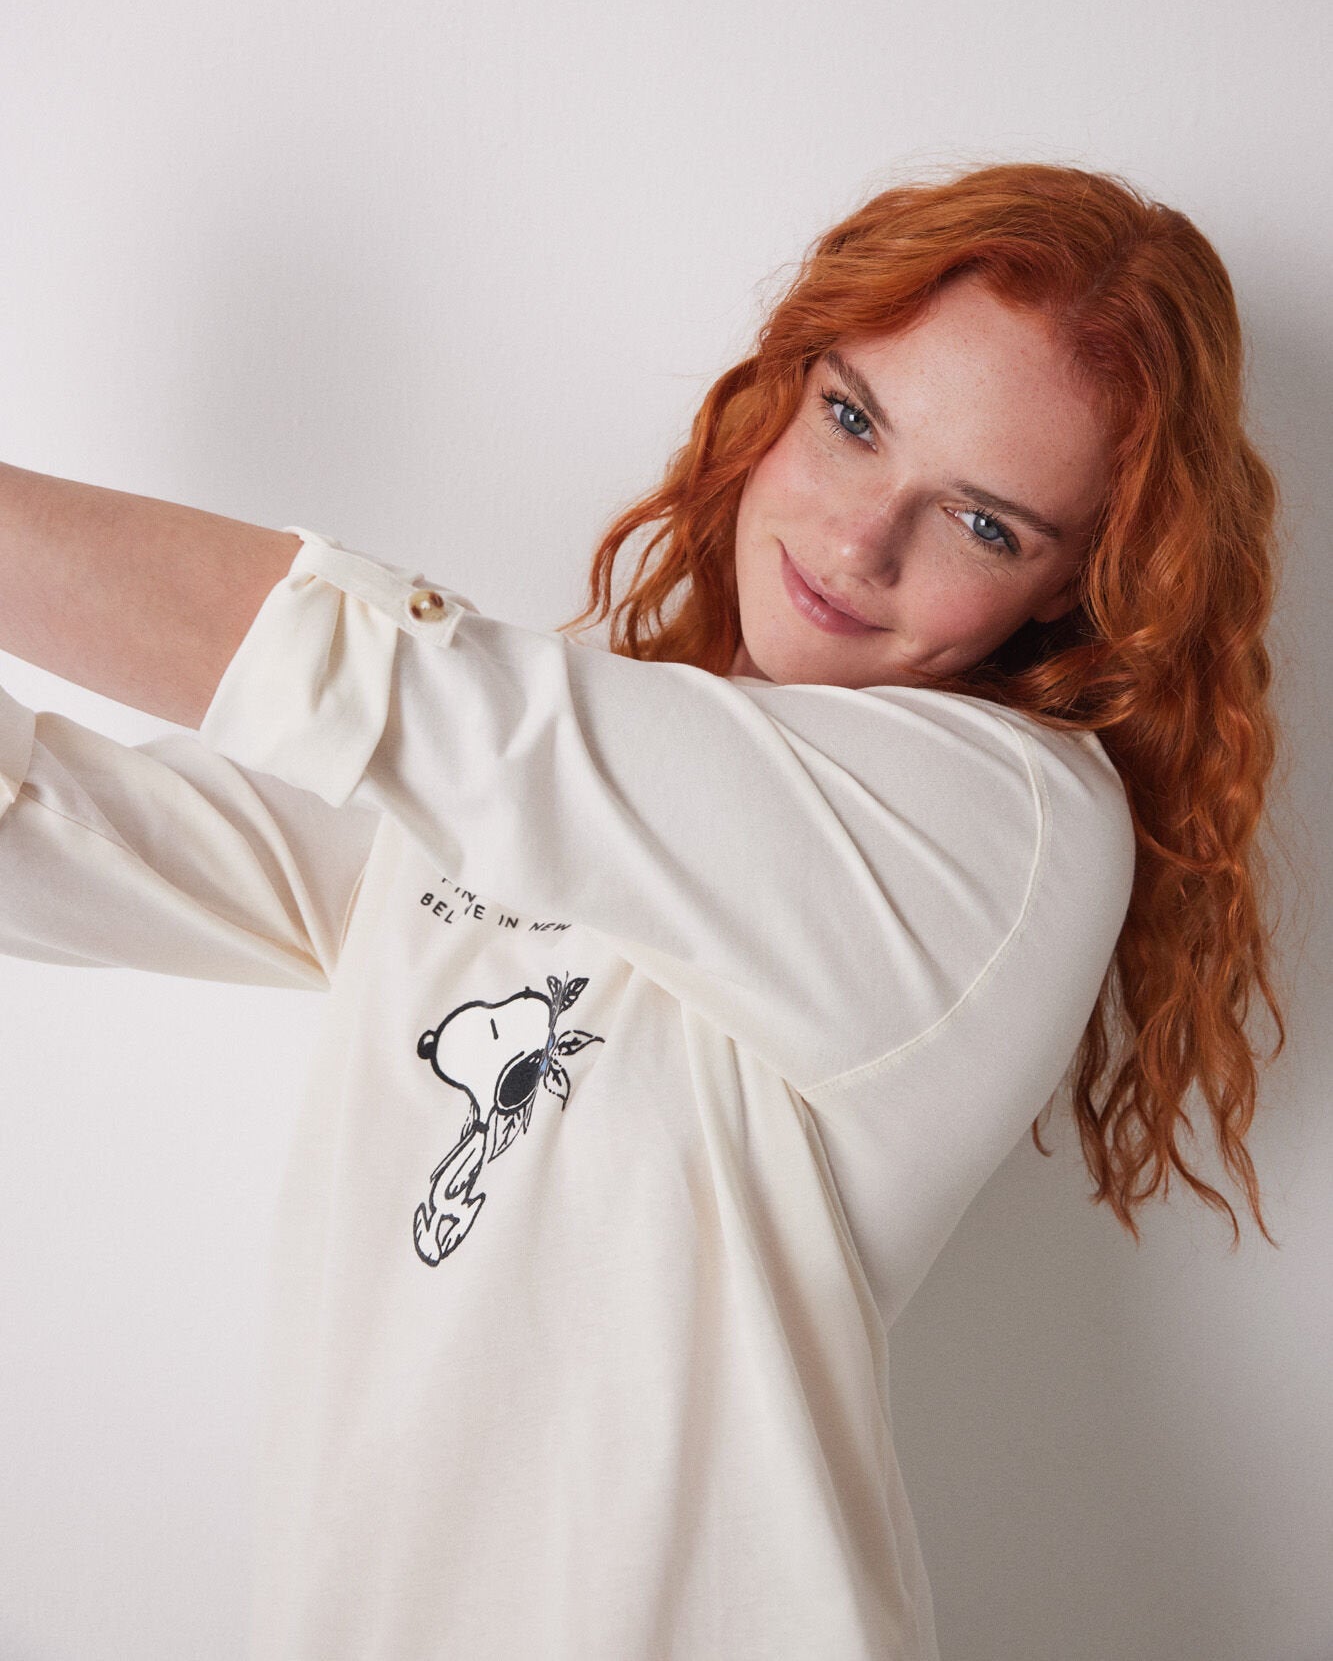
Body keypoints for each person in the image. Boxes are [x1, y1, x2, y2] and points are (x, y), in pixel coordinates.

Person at [0, 160, 1285, 1659]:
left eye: (983, 526)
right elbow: (56, 838)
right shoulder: (563, 780)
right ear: (784, 387)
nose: (858, 544)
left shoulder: (1004, 830)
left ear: (1071, 587)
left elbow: (397, 691)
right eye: (853, 421)